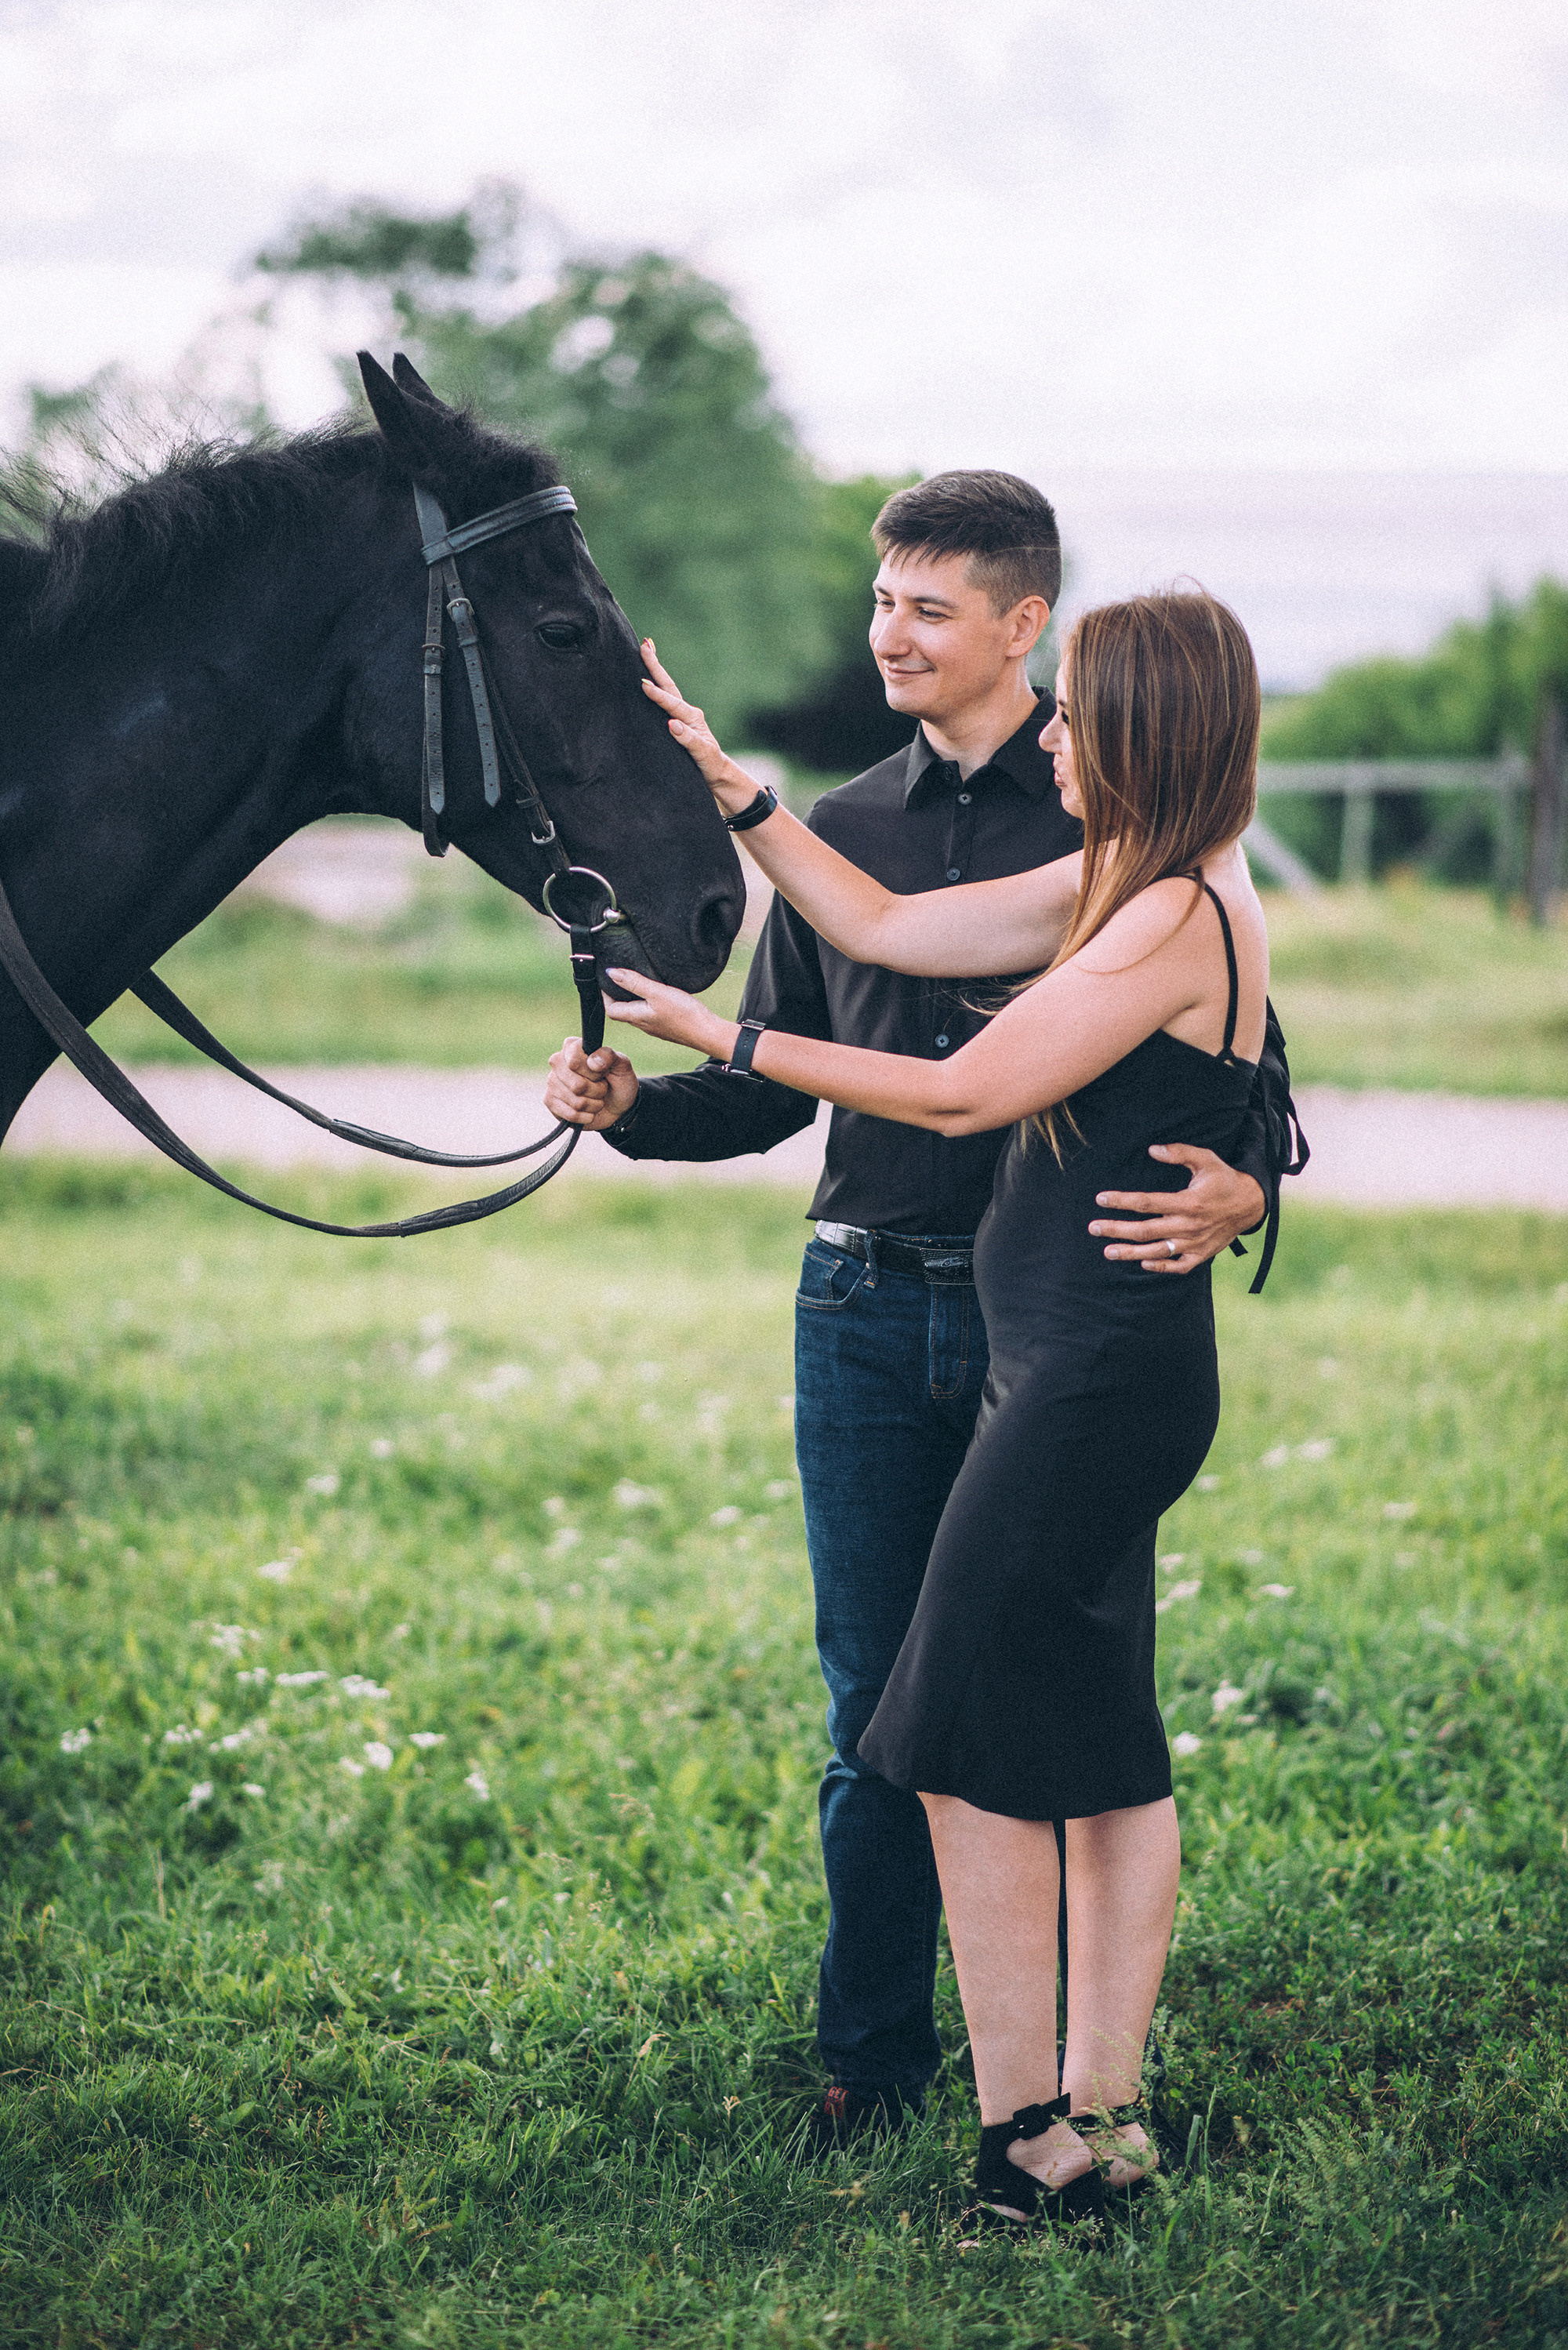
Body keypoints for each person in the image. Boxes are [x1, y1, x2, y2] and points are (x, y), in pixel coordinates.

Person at [544, 478, 1275, 2155]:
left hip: (1078, 1368)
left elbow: (972, 1092)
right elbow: (873, 928)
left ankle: (1032, 2125)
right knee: (1052, 1725)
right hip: (994, 1335)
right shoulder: (1111, 878)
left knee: (948, 1725)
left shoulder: (1157, 898)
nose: (1060, 749)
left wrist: (726, 1041)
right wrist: (736, 799)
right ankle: (1051, 2093)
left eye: (1085, 722)